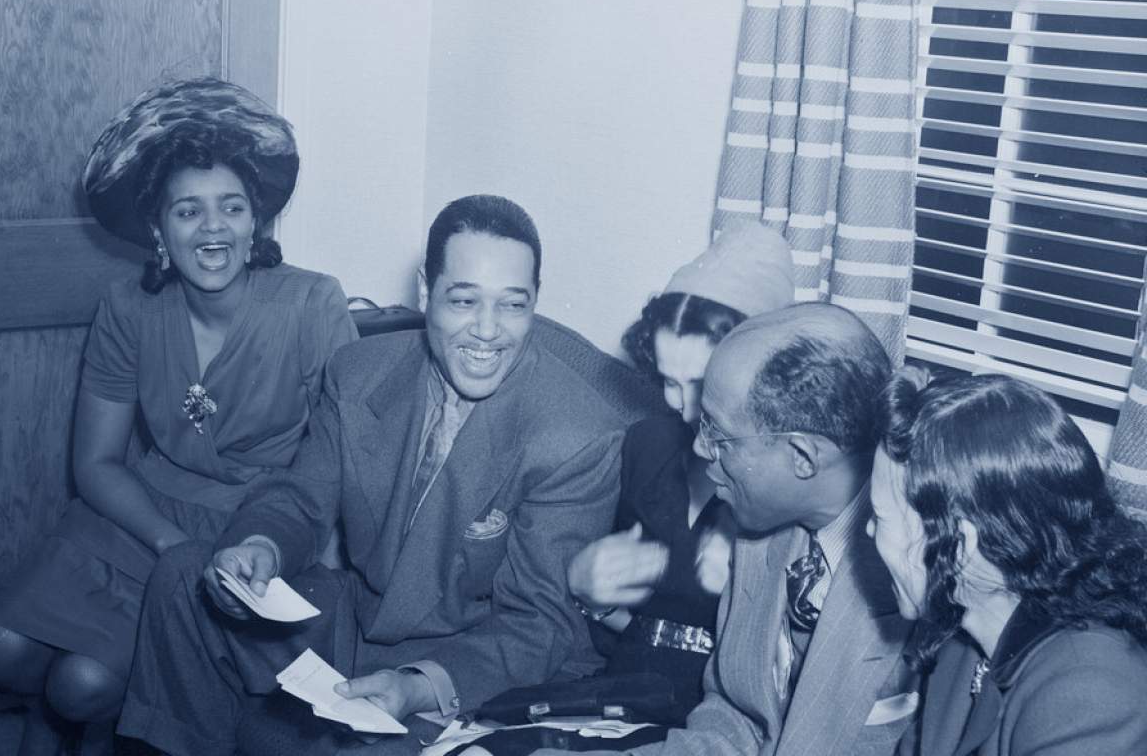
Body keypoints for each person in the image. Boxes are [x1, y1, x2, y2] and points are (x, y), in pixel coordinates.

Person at [116, 194, 635, 756]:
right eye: (463, 300)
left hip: (474, 665)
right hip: (359, 622)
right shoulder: (359, 372)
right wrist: (261, 546)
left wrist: (416, 687)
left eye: (513, 305)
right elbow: (301, 498)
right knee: (182, 577)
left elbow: (538, 626)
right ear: (424, 291)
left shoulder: (578, 433)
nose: (488, 331)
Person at [0, 77, 358, 750]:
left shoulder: (314, 306)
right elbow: (95, 463)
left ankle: (69, 719)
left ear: (255, 221)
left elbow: (343, 466)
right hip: (140, 515)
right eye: (188, 212)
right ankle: (56, 725)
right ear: (157, 228)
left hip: (254, 528)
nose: (213, 230)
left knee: (82, 682)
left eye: (232, 208)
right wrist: (169, 542)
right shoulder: (128, 307)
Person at [538, 302, 920, 756]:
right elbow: (733, 715)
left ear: (802, 457)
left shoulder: (914, 580)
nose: (699, 447)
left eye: (718, 435)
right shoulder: (761, 535)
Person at [566, 222, 794, 724]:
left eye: (703, 384)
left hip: (727, 719)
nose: (686, 409)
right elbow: (636, 629)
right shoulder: (647, 447)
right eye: (670, 382)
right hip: (622, 696)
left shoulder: (790, 485)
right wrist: (590, 594)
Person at [869, 370, 1147, 756]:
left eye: (881, 518)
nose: (869, 531)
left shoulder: (1092, 695)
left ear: (957, 547)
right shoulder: (962, 641)